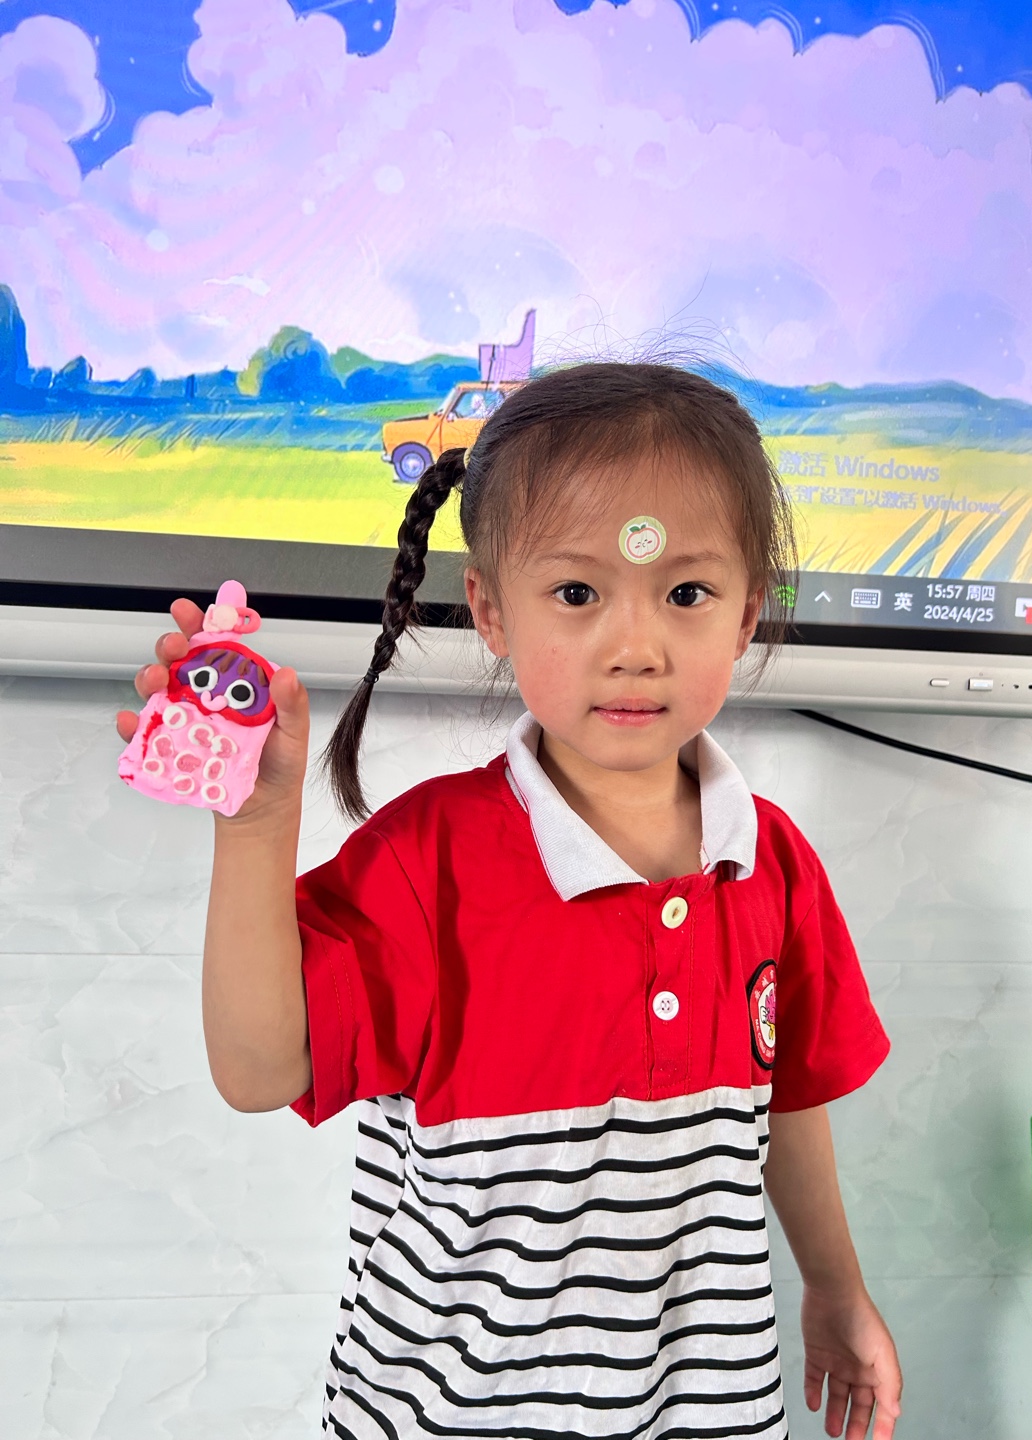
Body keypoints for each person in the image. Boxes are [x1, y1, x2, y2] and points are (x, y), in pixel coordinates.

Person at [117, 362, 902, 1440]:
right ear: (490, 608)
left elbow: (790, 1101)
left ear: (747, 613)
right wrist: (257, 826)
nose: (636, 647)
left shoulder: (772, 863)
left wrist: (836, 1289)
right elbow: (258, 1073)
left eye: (686, 594)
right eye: (577, 594)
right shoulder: (428, 859)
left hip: (709, 1409)